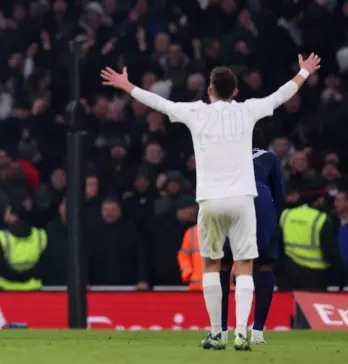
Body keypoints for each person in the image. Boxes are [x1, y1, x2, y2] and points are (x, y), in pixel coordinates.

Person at [101, 52, 321, 350]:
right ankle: (242, 333)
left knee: (212, 264)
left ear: (209, 91)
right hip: (243, 200)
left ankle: (217, 333)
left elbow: (158, 103)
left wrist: (127, 86)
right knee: (245, 264)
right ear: (236, 92)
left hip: (210, 201)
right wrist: (305, 72)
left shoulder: (196, 112)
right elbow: (282, 94)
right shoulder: (248, 110)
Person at [220, 148, 286, 345]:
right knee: (263, 265)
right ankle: (257, 331)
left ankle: (221, 331)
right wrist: (273, 220)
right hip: (262, 201)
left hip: (229, 200)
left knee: (223, 264)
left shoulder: (224, 153)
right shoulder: (270, 158)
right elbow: (280, 193)